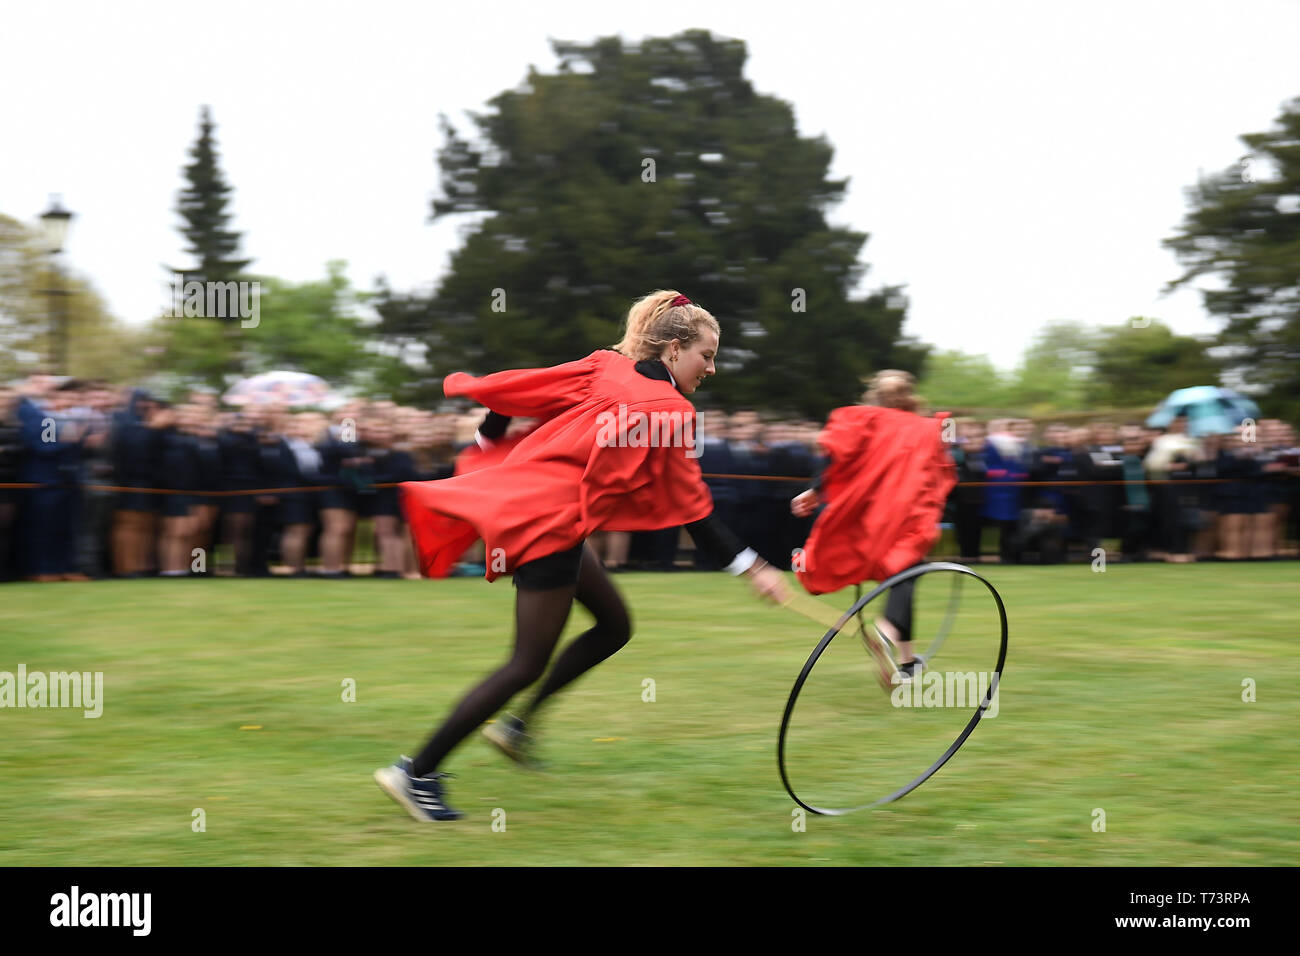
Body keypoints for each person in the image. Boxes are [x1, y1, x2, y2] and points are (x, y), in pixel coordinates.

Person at [376, 290, 791, 822]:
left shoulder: (606, 366)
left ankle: (515, 728)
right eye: (705, 355)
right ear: (672, 350)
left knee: (614, 625)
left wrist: (486, 444)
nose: (712, 368)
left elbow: (512, 391)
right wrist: (754, 568)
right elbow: (693, 509)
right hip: (547, 525)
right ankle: (417, 771)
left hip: (547, 517)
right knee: (525, 662)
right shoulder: (670, 410)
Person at [790, 369, 956, 688]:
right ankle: (888, 631)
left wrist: (815, 491)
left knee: (903, 575)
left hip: (869, 514)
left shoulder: (862, 419)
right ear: (911, 396)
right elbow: (942, 472)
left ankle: (906, 662)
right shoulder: (928, 428)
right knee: (906, 572)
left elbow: (836, 457)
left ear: (874, 394)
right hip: (908, 513)